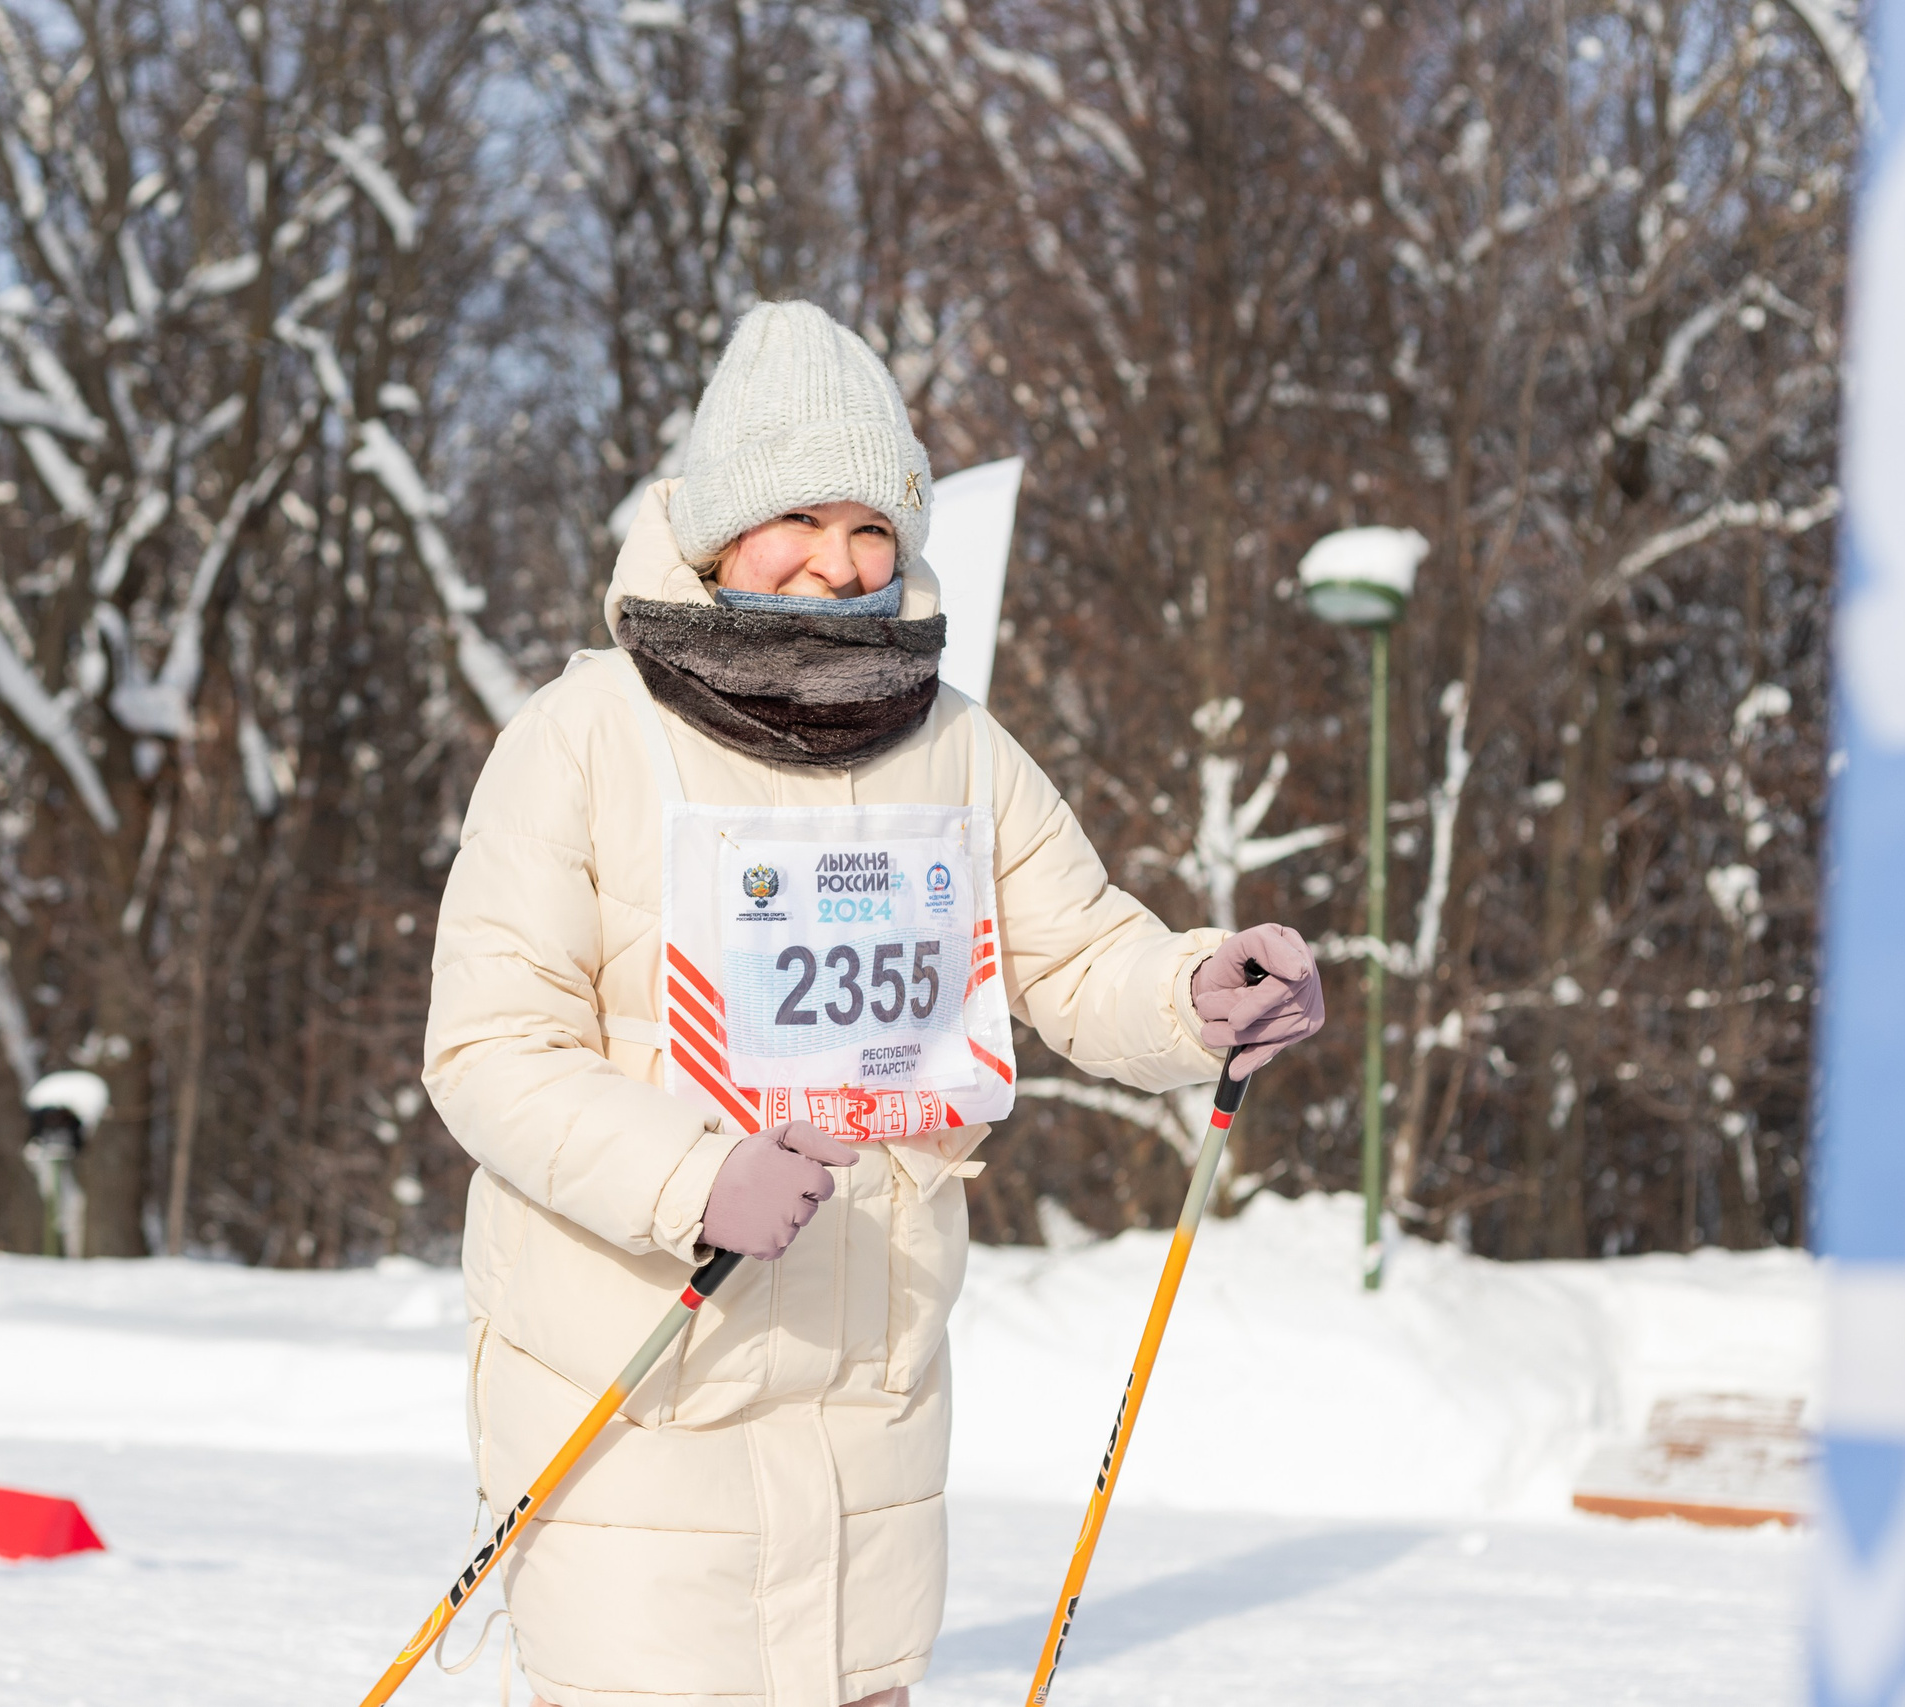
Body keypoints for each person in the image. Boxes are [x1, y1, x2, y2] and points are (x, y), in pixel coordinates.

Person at [424, 300, 1326, 1707]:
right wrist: (691, 1176)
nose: (837, 564)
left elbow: (1076, 951)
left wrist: (1194, 988)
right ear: (718, 524)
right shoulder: (584, 736)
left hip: (872, 1386)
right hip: (646, 1370)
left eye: (871, 526)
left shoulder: (955, 739)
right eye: (797, 516)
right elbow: (489, 1050)